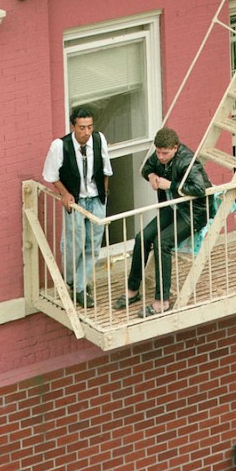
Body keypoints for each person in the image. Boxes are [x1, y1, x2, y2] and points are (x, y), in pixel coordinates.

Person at [114, 126, 212, 315]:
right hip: (172, 207)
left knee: (162, 243)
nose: (160, 157)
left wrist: (172, 185)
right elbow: (146, 168)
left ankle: (162, 301)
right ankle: (132, 290)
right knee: (142, 237)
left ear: (175, 148)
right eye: (157, 152)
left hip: (193, 212)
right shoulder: (160, 156)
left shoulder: (187, 161)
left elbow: (200, 189)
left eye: (164, 153)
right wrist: (151, 175)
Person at [42, 105, 112, 308]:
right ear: (73, 126)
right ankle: (72, 279)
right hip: (77, 201)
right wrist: (65, 194)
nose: (86, 132)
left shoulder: (99, 140)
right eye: (82, 128)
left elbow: (106, 170)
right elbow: (51, 175)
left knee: (93, 244)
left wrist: (103, 195)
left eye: (90, 127)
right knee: (75, 244)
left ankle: (80, 287)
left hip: (96, 198)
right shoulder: (60, 146)